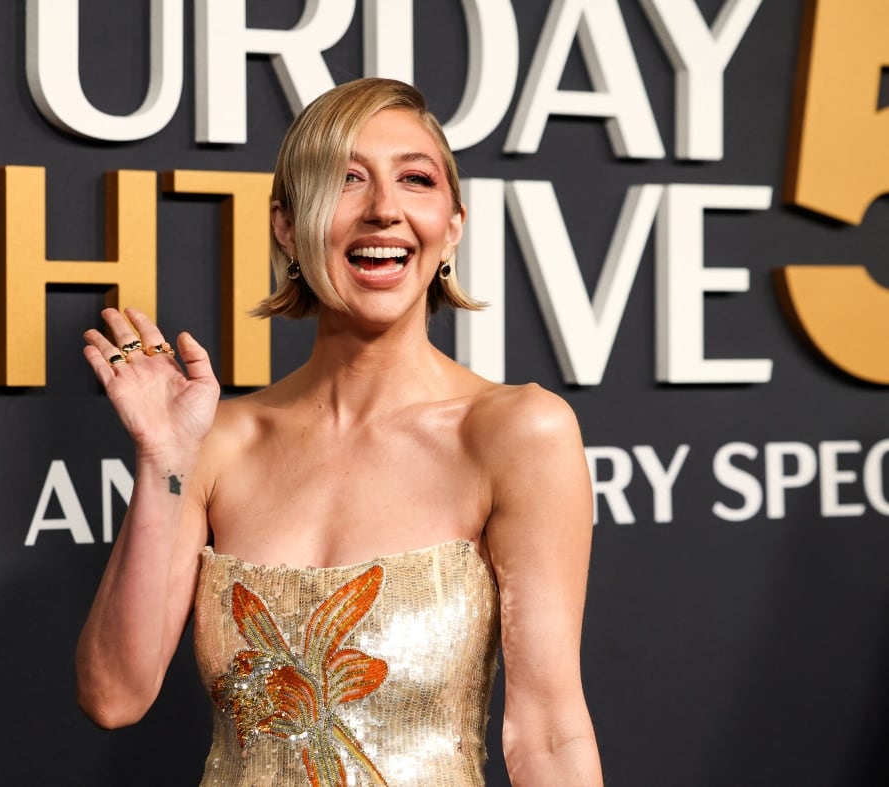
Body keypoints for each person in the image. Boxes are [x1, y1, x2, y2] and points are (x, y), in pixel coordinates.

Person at [77, 77, 602, 786]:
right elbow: (114, 694)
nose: (384, 209)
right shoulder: (217, 442)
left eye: (415, 179)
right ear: (288, 226)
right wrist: (162, 460)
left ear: (451, 225)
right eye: (346, 180)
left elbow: (547, 733)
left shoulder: (514, 432)